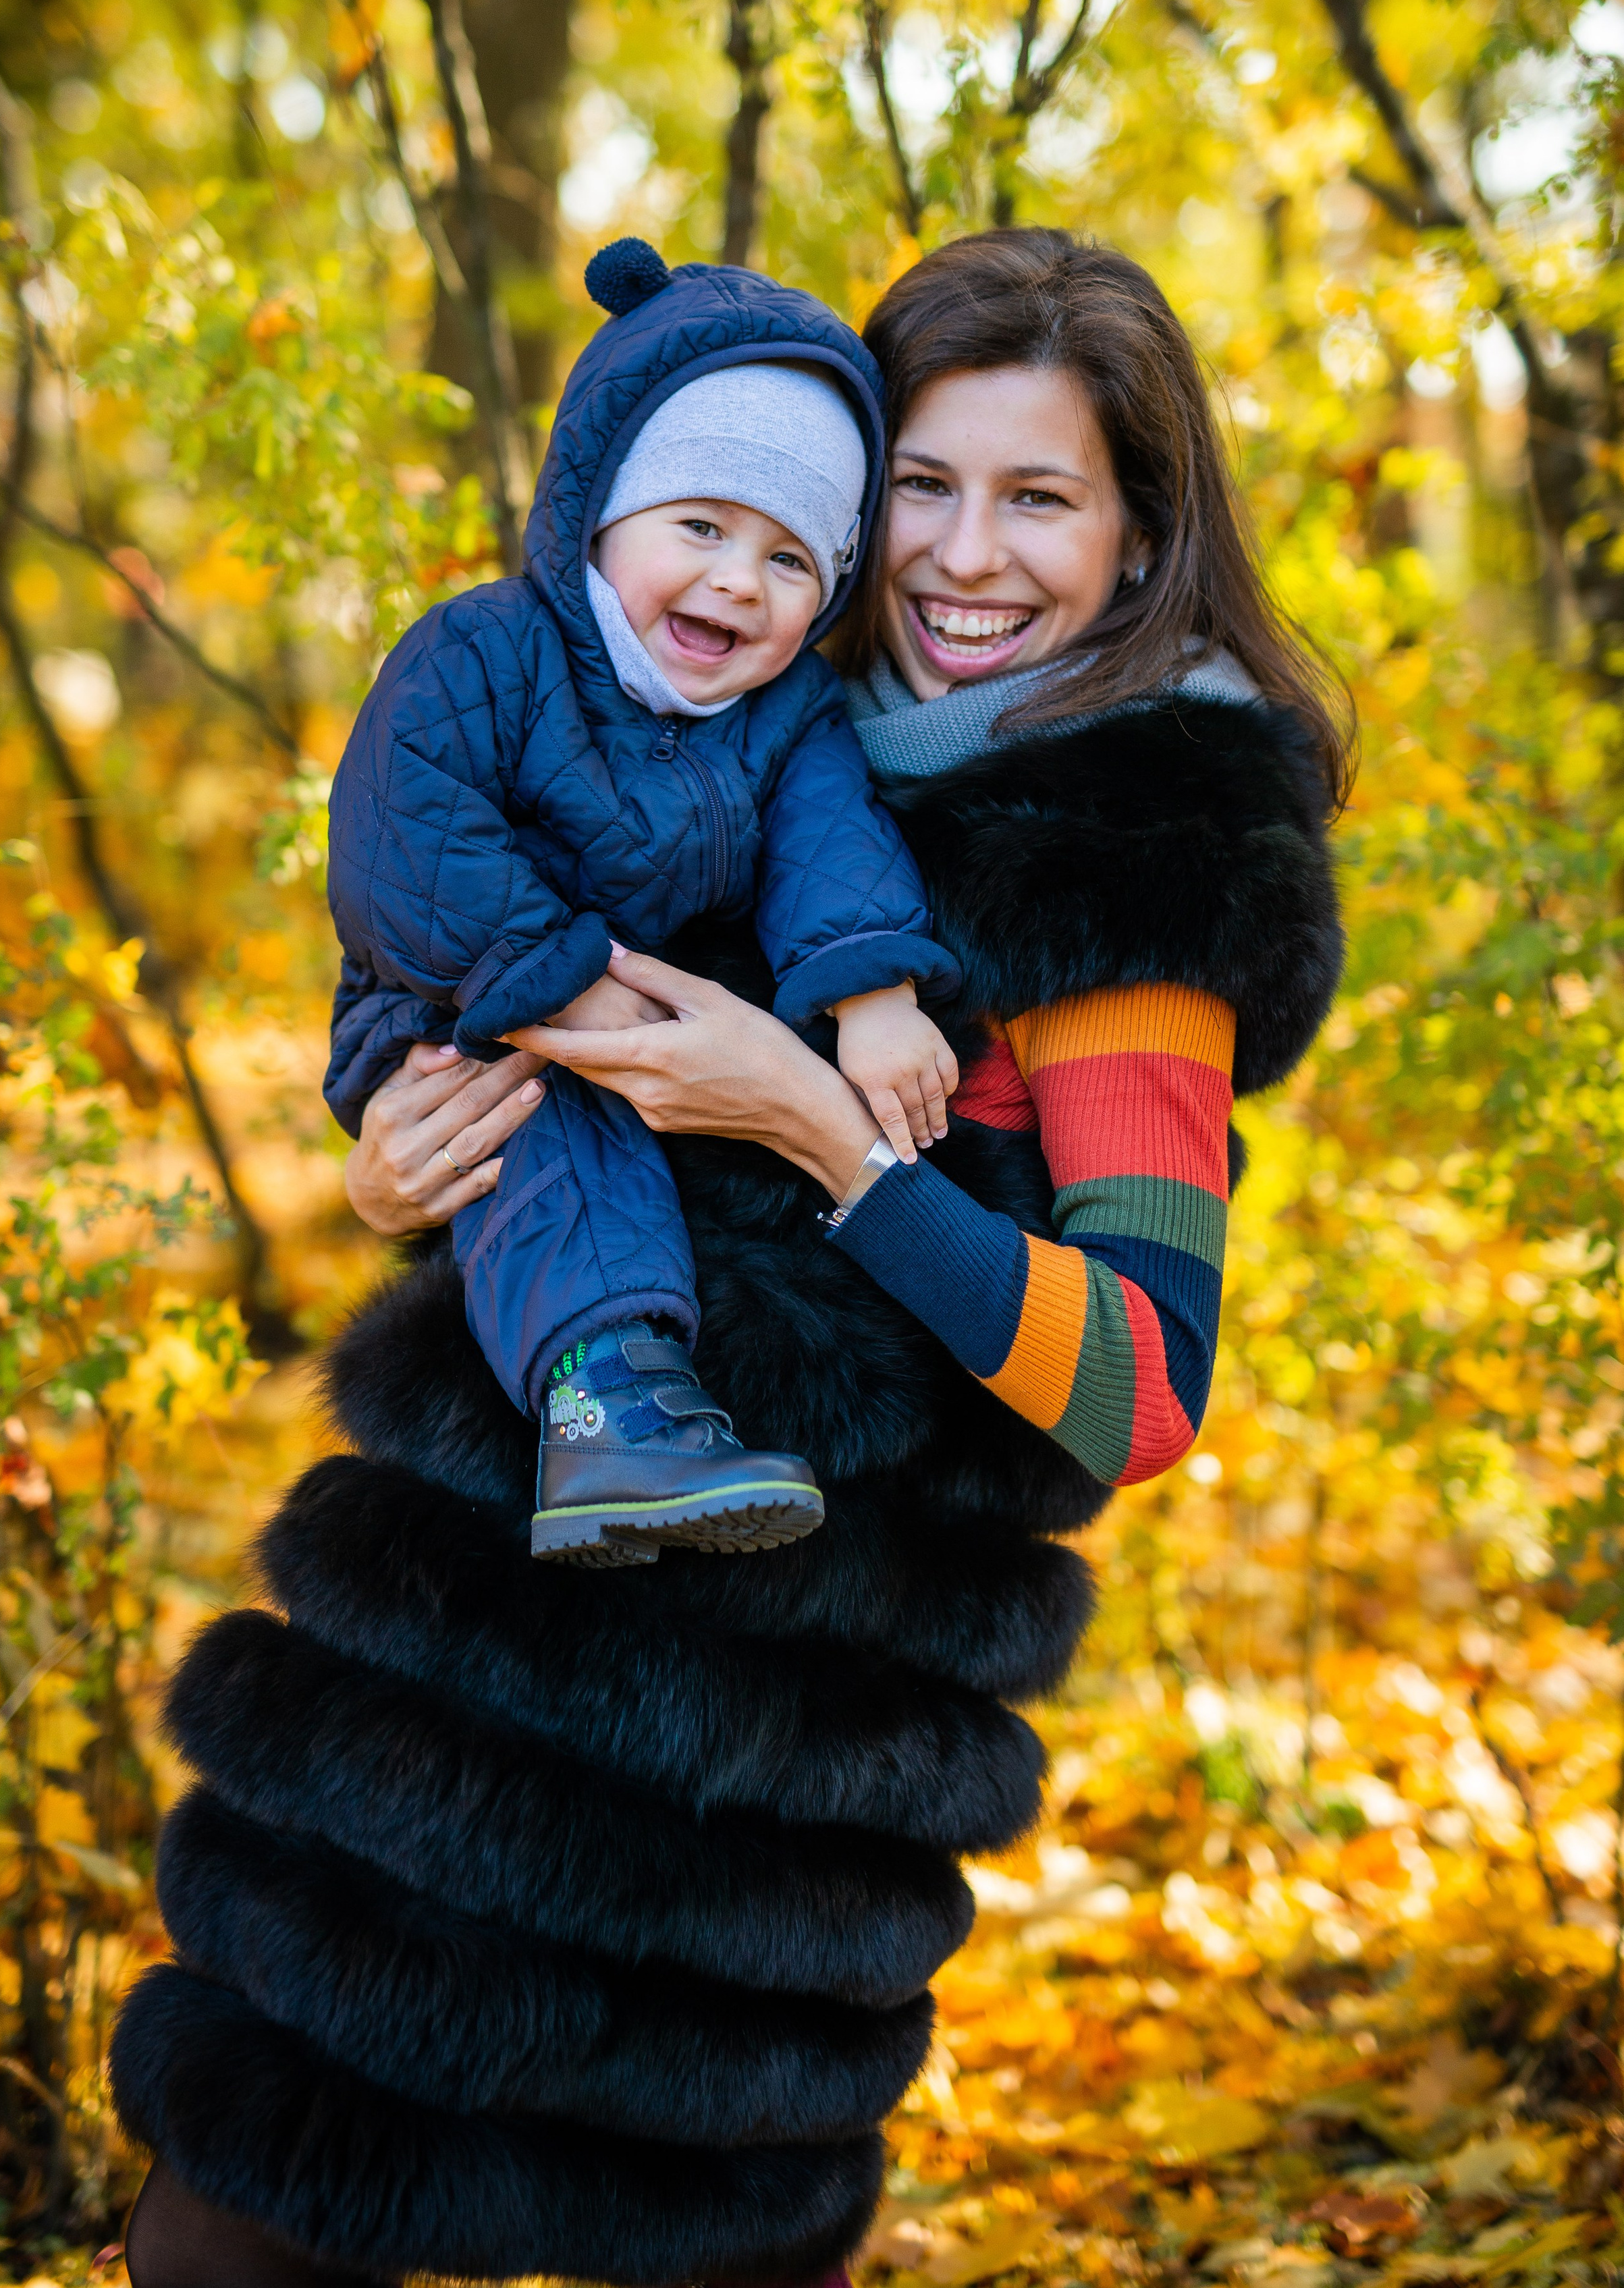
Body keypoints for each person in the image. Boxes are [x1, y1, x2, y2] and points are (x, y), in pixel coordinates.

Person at [111, 227, 1347, 2288]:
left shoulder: (1129, 884)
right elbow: (489, 1004)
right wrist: (403, 1156)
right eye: (924, 490)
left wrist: (819, 1127)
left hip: (758, 1816)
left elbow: (1142, 1388)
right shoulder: (731, 707)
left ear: (1139, 542)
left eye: (1039, 497)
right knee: (235, 2238)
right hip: (454, 1695)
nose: (963, 556)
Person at [325, 238, 959, 1564]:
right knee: (545, 1138)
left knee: (618, 1131)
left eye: (792, 560)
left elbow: (827, 841)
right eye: (702, 527)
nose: (737, 579)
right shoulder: (486, 652)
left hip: (642, 1016)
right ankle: (606, 1400)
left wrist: (875, 992)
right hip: (464, 999)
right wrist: (568, 978)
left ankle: (662, 1427)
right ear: (601, 509)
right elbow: (406, 837)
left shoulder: (786, 717)